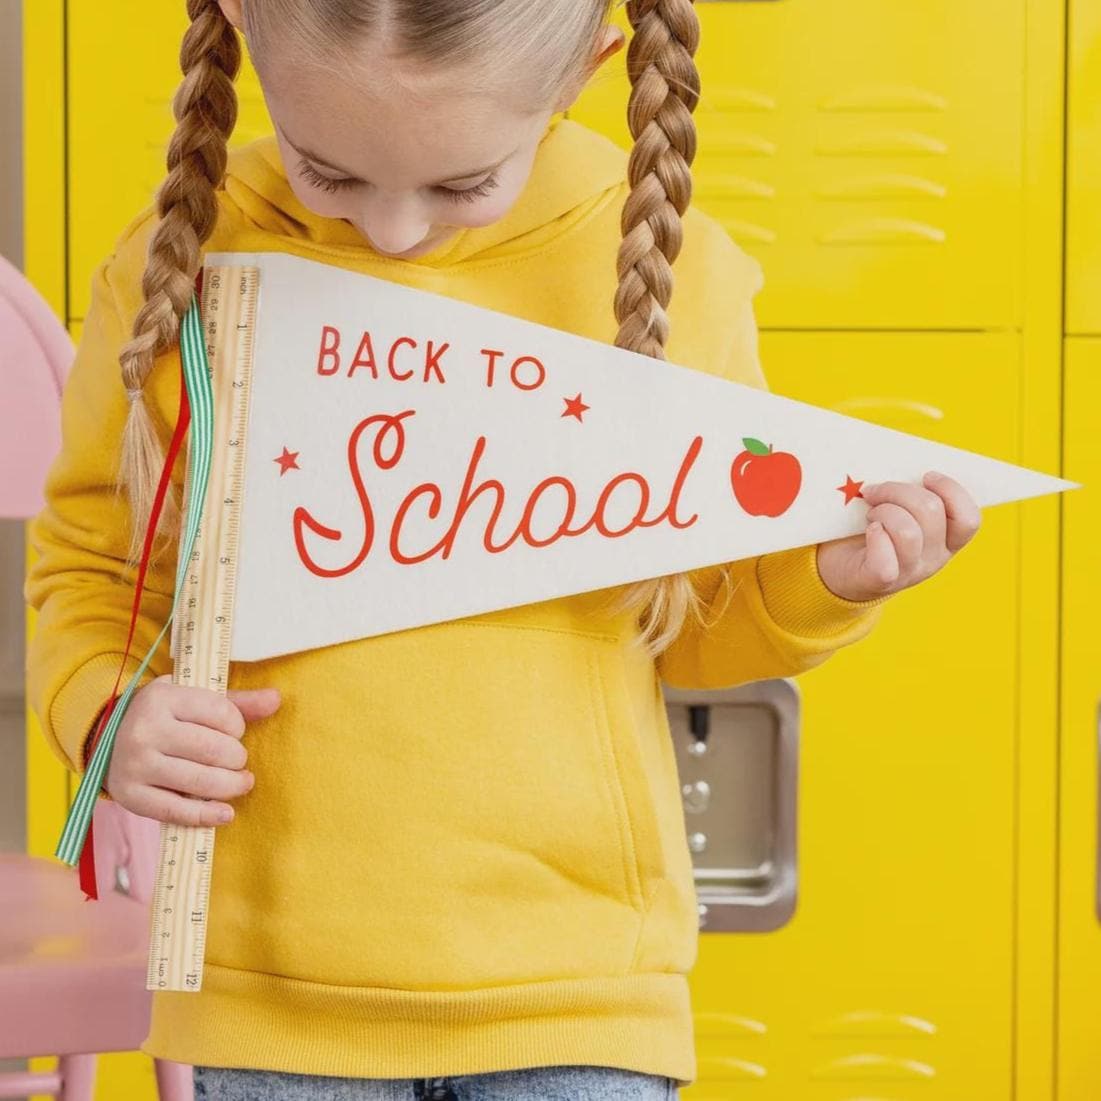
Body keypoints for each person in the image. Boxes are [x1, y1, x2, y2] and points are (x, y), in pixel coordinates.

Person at [23, 1, 982, 1098]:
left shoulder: (674, 270)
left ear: (590, 65)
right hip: (270, 1008)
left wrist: (823, 580)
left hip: (581, 1002)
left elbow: (693, 625)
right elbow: (91, 568)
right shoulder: (177, 259)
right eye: (326, 171)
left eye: (460, 184)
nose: (391, 231)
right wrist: (111, 706)